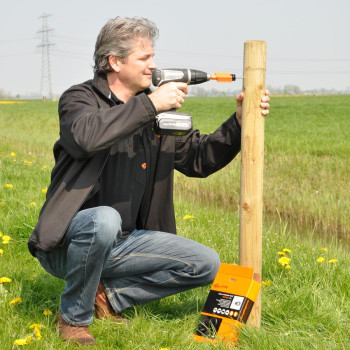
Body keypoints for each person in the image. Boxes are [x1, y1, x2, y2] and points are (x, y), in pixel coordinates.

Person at [28, 17, 270, 345]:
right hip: (67, 245)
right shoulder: (80, 99)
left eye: (152, 57)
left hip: (128, 242)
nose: (153, 66)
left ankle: (109, 299)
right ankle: (73, 318)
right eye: (144, 58)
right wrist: (151, 103)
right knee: (104, 219)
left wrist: (239, 122)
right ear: (115, 62)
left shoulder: (156, 113)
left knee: (206, 264)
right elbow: (86, 137)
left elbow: (199, 158)